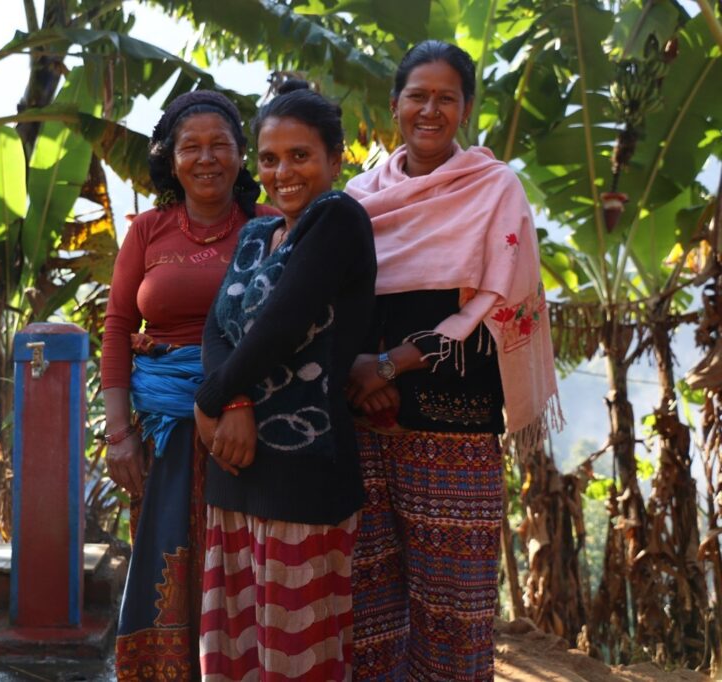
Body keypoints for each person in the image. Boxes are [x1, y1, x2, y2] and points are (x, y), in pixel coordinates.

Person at [343, 40, 561, 681]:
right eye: (418, 96)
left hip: (452, 431)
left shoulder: (494, 190)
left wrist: (389, 365)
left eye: (446, 98)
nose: (430, 111)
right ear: (395, 105)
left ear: (465, 109)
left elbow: (499, 302)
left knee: (453, 615)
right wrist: (360, 367)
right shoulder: (357, 197)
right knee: (369, 608)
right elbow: (333, 299)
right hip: (362, 426)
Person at [194, 80, 376, 681]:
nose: (282, 172)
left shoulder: (339, 219)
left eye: (301, 156)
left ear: (335, 158)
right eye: (270, 159)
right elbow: (217, 328)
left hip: (305, 481)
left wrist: (210, 399)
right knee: (238, 656)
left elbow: (282, 325)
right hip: (237, 473)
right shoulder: (253, 235)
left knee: (298, 662)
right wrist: (233, 399)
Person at [102, 90, 278, 681]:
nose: (207, 159)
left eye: (220, 145)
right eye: (191, 147)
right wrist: (119, 433)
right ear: (170, 159)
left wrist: (234, 397)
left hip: (251, 426)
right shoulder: (148, 230)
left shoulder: (269, 227)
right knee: (163, 565)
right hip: (161, 431)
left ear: (240, 155)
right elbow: (119, 327)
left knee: (247, 572)